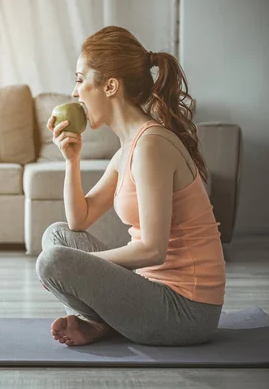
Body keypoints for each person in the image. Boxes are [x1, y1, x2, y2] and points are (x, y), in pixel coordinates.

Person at [36, 26, 226, 347]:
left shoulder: (151, 145)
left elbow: (153, 249)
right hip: (151, 289)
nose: (74, 92)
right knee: (57, 236)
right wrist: (72, 160)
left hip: (187, 310)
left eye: (81, 79)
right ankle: (102, 322)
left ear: (110, 86)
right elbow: (78, 222)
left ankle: (100, 321)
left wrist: (73, 268)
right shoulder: (128, 149)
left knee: (53, 260)